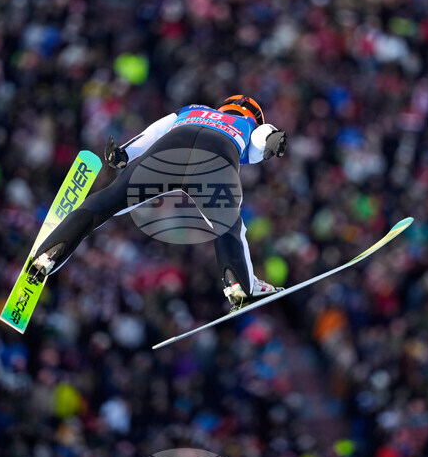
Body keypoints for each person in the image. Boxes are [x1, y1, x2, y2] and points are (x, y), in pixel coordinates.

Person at [27, 95, 289, 310]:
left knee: (108, 201)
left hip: (169, 150)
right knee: (228, 225)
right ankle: (239, 286)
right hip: (213, 159)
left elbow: (155, 131)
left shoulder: (193, 109)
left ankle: (49, 253)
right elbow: (261, 137)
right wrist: (272, 138)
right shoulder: (246, 124)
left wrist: (124, 154)